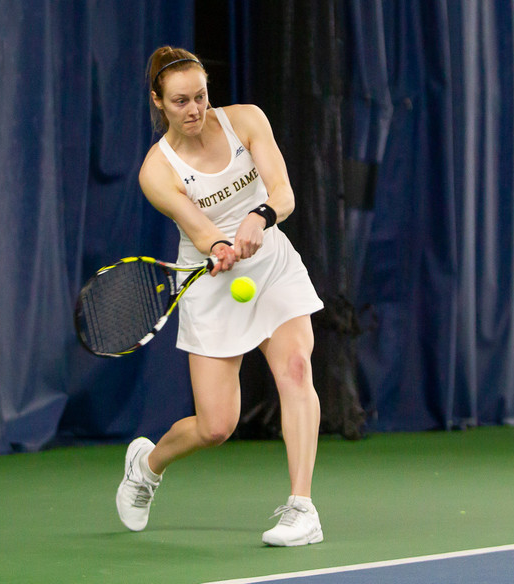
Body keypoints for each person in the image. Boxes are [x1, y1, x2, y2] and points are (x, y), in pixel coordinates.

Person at [115, 46, 325, 547]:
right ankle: (147, 465)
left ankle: (302, 508)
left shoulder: (247, 121)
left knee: (296, 368)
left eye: (201, 97)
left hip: (272, 264)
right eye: (181, 101)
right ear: (159, 102)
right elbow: (201, 229)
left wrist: (261, 217)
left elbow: (284, 192)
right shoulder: (157, 171)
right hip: (212, 284)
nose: (194, 110)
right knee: (215, 426)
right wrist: (219, 246)